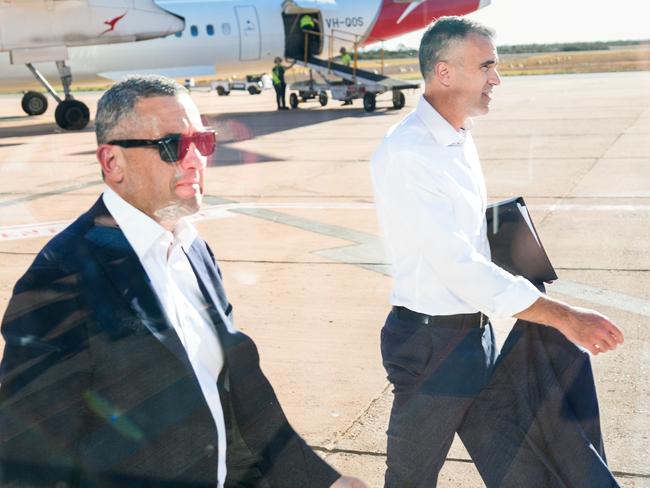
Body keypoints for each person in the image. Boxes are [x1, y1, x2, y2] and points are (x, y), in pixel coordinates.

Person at [0, 75, 366, 488]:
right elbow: (26, 460)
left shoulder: (194, 250)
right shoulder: (62, 276)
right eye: (173, 146)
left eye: (203, 142)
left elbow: (234, 395)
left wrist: (321, 481)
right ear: (112, 163)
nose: (196, 160)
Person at [370, 17, 624, 488]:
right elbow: (455, 265)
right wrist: (562, 316)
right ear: (444, 72)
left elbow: (465, 237)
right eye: (486, 66)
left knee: (523, 473)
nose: (496, 79)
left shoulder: (457, 137)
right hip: (432, 350)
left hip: (475, 339)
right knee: (410, 479)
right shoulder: (410, 153)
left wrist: (513, 245)